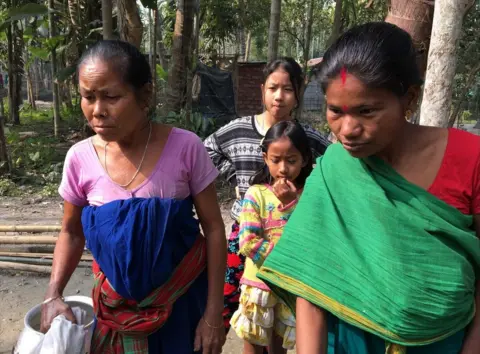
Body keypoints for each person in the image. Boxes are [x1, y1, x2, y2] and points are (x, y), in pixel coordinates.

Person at [257, 22, 480, 354]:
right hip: (348, 344)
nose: (347, 130)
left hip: (443, 343)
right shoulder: (332, 170)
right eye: (335, 111)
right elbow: (312, 284)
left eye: (366, 111)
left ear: (409, 98)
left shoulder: (470, 158)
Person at [40, 40, 227, 354]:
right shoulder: (79, 158)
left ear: (145, 95)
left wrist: (213, 313)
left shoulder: (185, 148)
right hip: (115, 315)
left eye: (111, 97)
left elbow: (215, 229)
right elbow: (71, 232)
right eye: (88, 97)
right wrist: (53, 294)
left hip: (182, 307)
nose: (98, 110)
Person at [204, 57, 330, 333]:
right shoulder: (237, 130)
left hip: (289, 237)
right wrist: (234, 177)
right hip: (245, 234)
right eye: (273, 88)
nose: (279, 96)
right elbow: (207, 149)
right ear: (263, 90)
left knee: (282, 319)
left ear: (298, 92)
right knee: (236, 307)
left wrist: (308, 190)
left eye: (287, 89)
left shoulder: (306, 137)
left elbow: (334, 162)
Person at [231, 121, 313, 354]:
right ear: (265, 158)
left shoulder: (307, 197)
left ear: (304, 160)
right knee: (254, 344)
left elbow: (309, 238)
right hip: (259, 286)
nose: (283, 168)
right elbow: (248, 243)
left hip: (290, 287)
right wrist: (289, 259)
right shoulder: (256, 194)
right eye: (276, 160)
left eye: (292, 160)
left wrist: (289, 205)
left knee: (280, 347)